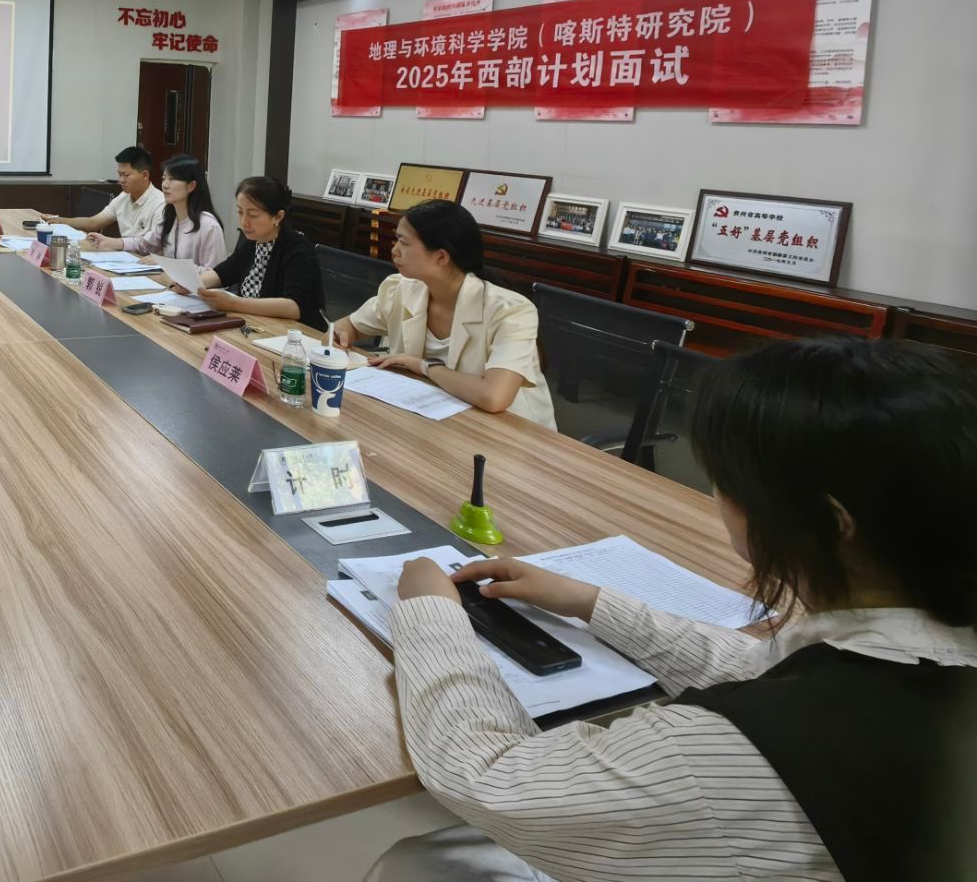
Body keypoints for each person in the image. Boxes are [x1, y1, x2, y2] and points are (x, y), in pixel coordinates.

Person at [369, 339, 977, 882]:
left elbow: (487, 778)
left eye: (728, 479)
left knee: (418, 863)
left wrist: (432, 615)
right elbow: (771, 669)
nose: (718, 495)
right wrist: (591, 602)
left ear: (822, 520)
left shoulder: (719, 756)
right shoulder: (915, 658)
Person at [331, 198, 554, 428]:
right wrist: (339, 337)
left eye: (403, 242)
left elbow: (494, 397)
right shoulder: (401, 289)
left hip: (510, 431)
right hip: (434, 418)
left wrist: (424, 366)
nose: (394, 250)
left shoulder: (511, 311)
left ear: (441, 257)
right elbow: (347, 326)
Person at [179, 176, 327, 330]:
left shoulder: (299, 250)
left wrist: (233, 303)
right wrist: (191, 283)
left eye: (253, 214)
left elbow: (295, 307)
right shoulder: (252, 241)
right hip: (257, 326)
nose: (244, 221)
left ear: (278, 217)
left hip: (295, 333)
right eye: (240, 212)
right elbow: (224, 272)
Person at [85, 153, 227, 269]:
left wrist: (167, 264)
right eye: (164, 178)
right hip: (173, 287)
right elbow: (144, 243)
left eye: (172, 179)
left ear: (191, 186)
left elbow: (215, 274)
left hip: (199, 293)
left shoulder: (208, 226)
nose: (165, 185)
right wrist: (110, 242)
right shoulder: (171, 217)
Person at [44, 146, 162, 245]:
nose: (121, 180)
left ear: (145, 175)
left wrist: (112, 243)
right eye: (119, 174)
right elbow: (93, 223)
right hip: (126, 256)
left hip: (148, 261)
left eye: (126, 175)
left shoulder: (160, 204)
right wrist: (59, 220)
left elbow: (154, 244)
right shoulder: (123, 197)